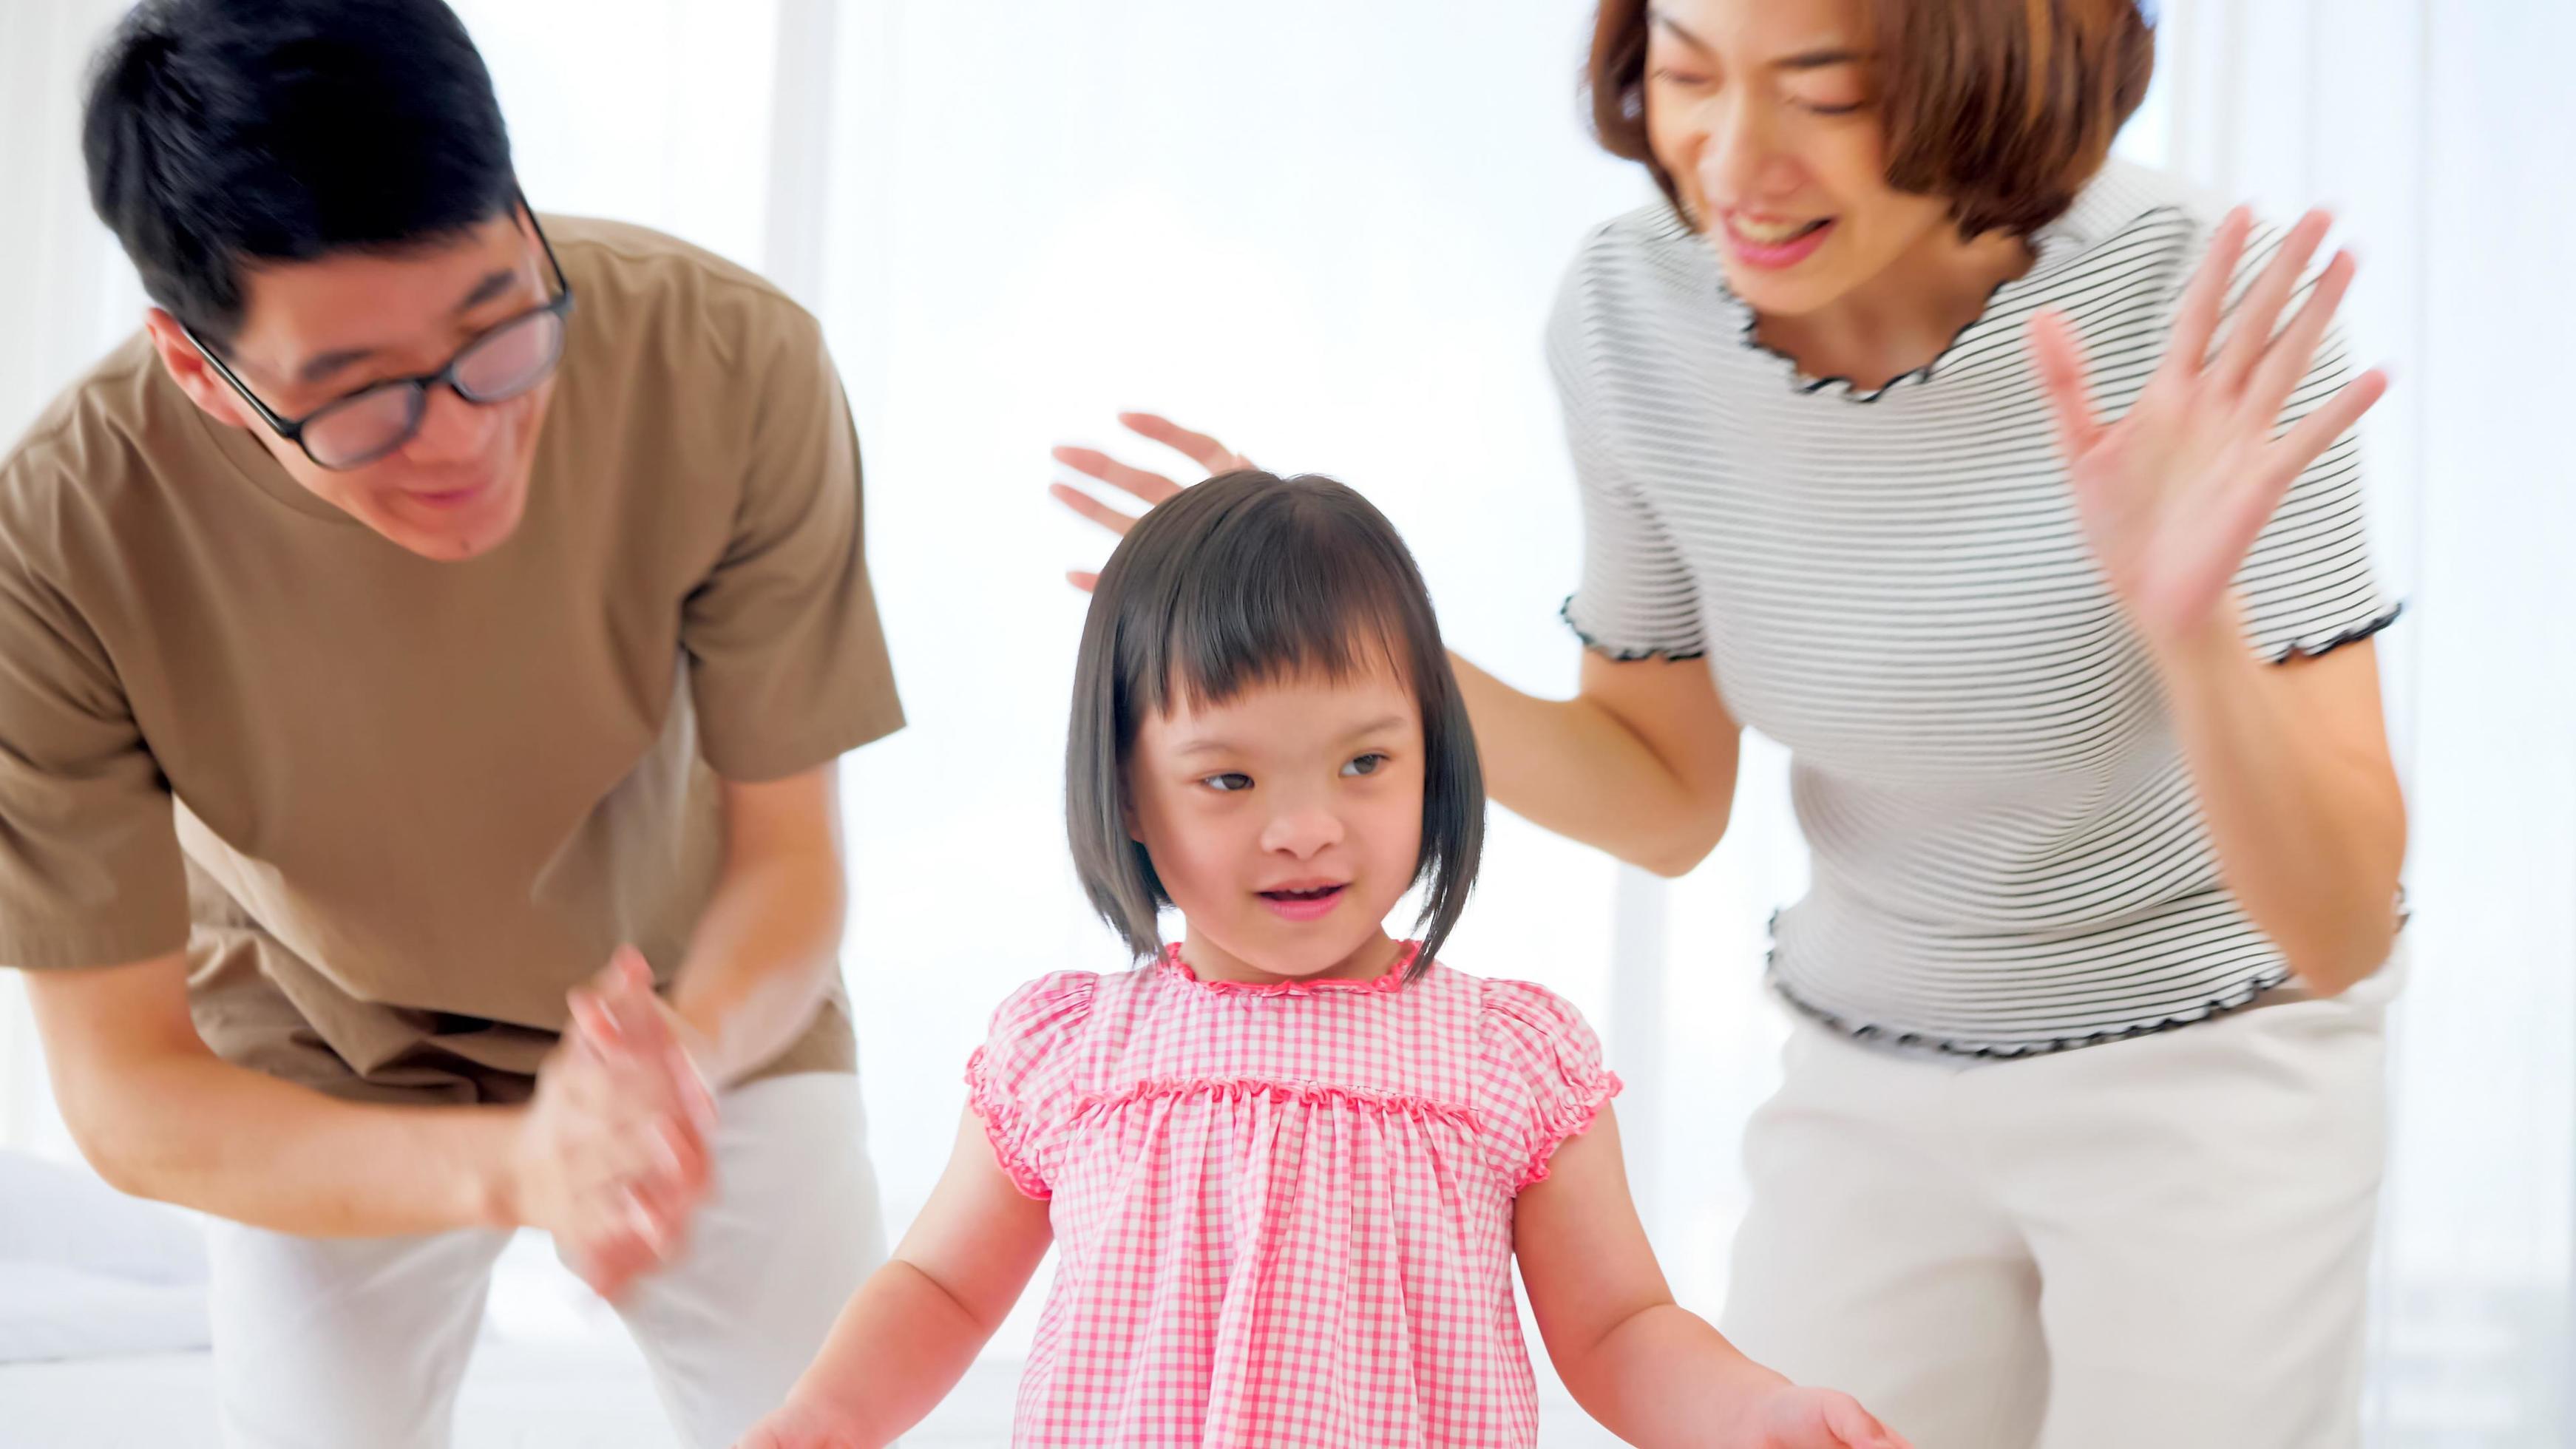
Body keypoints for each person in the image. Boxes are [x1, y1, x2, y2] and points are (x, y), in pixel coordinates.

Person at [1048, 2, 2408, 1444]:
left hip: (2205, 1067)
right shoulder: (1634, 312)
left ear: (1985, 72)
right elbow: (1660, 793)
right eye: (1687, 75)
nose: (1731, 160)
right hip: (1866, 1061)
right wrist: (1354, 656)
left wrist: (2189, 633)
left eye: (1821, 92)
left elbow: (2336, 929)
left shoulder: (2191, 301)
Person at [2, 1, 903, 1444]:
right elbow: (123, 1092)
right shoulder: (59, 533)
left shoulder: (735, 363)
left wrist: (669, 1061)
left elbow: (789, 864)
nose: (463, 436)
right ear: (199, 370)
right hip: (314, 1042)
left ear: (524, 222)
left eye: (497, 330)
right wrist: (517, 1166)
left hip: (694, 1004)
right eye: (359, 397)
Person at [739, 472, 1909, 1448]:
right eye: (1229, 780)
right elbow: (940, 1292)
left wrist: (1755, 1411)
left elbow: (1618, 1329)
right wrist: (816, 1423)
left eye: (1363, 764)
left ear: (1433, 761)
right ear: (1129, 798)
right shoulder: (1071, 1055)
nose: (1305, 827)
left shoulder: (1509, 1057)